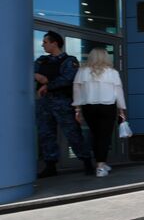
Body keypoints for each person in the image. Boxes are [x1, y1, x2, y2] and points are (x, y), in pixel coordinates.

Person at [34, 30, 93, 177]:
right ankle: (50, 166)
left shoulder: (69, 61)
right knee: (46, 134)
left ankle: (87, 162)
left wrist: (47, 83)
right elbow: (30, 72)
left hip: (63, 102)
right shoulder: (41, 61)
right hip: (44, 104)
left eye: (45, 42)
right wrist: (37, 76)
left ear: (55, 43)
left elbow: (68, 78)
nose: (42, 45)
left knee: (73, 133)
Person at [73, 48, 127, 177]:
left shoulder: (82, 72)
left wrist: (77, 109)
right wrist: (121, 110)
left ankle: (100, 163)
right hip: (107, 107)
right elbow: (118, 92)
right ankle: (101, 166)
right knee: (104, 136)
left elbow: (77, 90)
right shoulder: (112, 73)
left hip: (88, 107)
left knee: (96, 134)